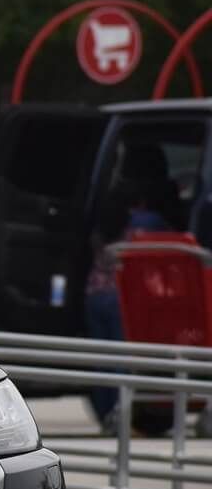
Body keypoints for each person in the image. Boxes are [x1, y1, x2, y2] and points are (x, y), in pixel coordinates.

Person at [84, 145, 178, 428]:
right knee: (123, 361)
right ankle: (122, 416)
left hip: (94, 293)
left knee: (102, 359)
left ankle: (107, 415)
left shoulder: (107, 215)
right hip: (124, 297)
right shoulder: (150, 221)